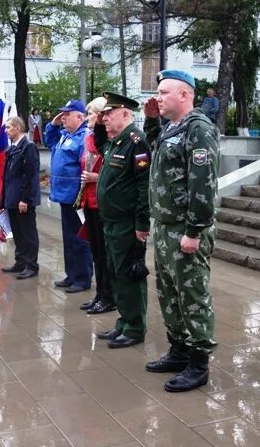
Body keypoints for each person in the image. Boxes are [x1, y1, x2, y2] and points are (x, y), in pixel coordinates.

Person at [143, 69, 220, 392]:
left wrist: (194, 230)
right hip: (165, 226)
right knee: (169, 293)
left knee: (192, 294)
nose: (157, 97)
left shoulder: (198, 129)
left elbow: (202, 183)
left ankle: (199, 363)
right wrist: (149, 122)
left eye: (163, 92)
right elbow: (158, 157)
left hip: (186, 229)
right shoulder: (170, 127)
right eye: (158, 92)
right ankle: (178, 350)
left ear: (184, 95)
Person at [93, 92, 151, 348]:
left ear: (126, 114)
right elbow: (98, 142)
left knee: (129, 276)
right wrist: (97, 122)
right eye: (103, 115)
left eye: (109, 114)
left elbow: (143, 185)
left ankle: (135, 328)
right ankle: (124, 322)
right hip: (111, 221)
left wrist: (141, 223)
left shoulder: (137, 143)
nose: (104, 119)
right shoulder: (115, 142)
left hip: (128, 223)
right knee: (116, 274)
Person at [44, 99, 93, 293]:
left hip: (76, 197)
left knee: (79, 239)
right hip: (64, 196)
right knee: (68, 239)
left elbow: (86, 165)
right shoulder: (65, 135)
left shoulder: (84, 137)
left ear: (79, 117)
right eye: (62, 114)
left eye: (67, 114)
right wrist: (53, 125)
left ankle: (82, 279)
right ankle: (71, 275)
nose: (63, 117)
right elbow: (49, 141)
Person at [77, 97, 115, 315]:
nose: (88, 117)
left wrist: (96, 177)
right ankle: (100, 294)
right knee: (96, 253)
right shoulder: (90, 139)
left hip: (102, 203)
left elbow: (115, 174)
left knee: (104, 252)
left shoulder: (108, 141)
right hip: (89, 201)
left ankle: (108, 296)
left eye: (91, 113)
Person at [0, 116, 41, 280]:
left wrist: (25, 199)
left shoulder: (28, 147)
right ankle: (21, 262)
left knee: (28, 234)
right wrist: (5, 200)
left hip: (23, 200)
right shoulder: (13, 148)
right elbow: (9, 177)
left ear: (17, 128)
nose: (6, 131)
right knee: (18, 233)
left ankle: (31, 266)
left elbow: (30, 176)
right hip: (13, 198)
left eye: (8, 127)